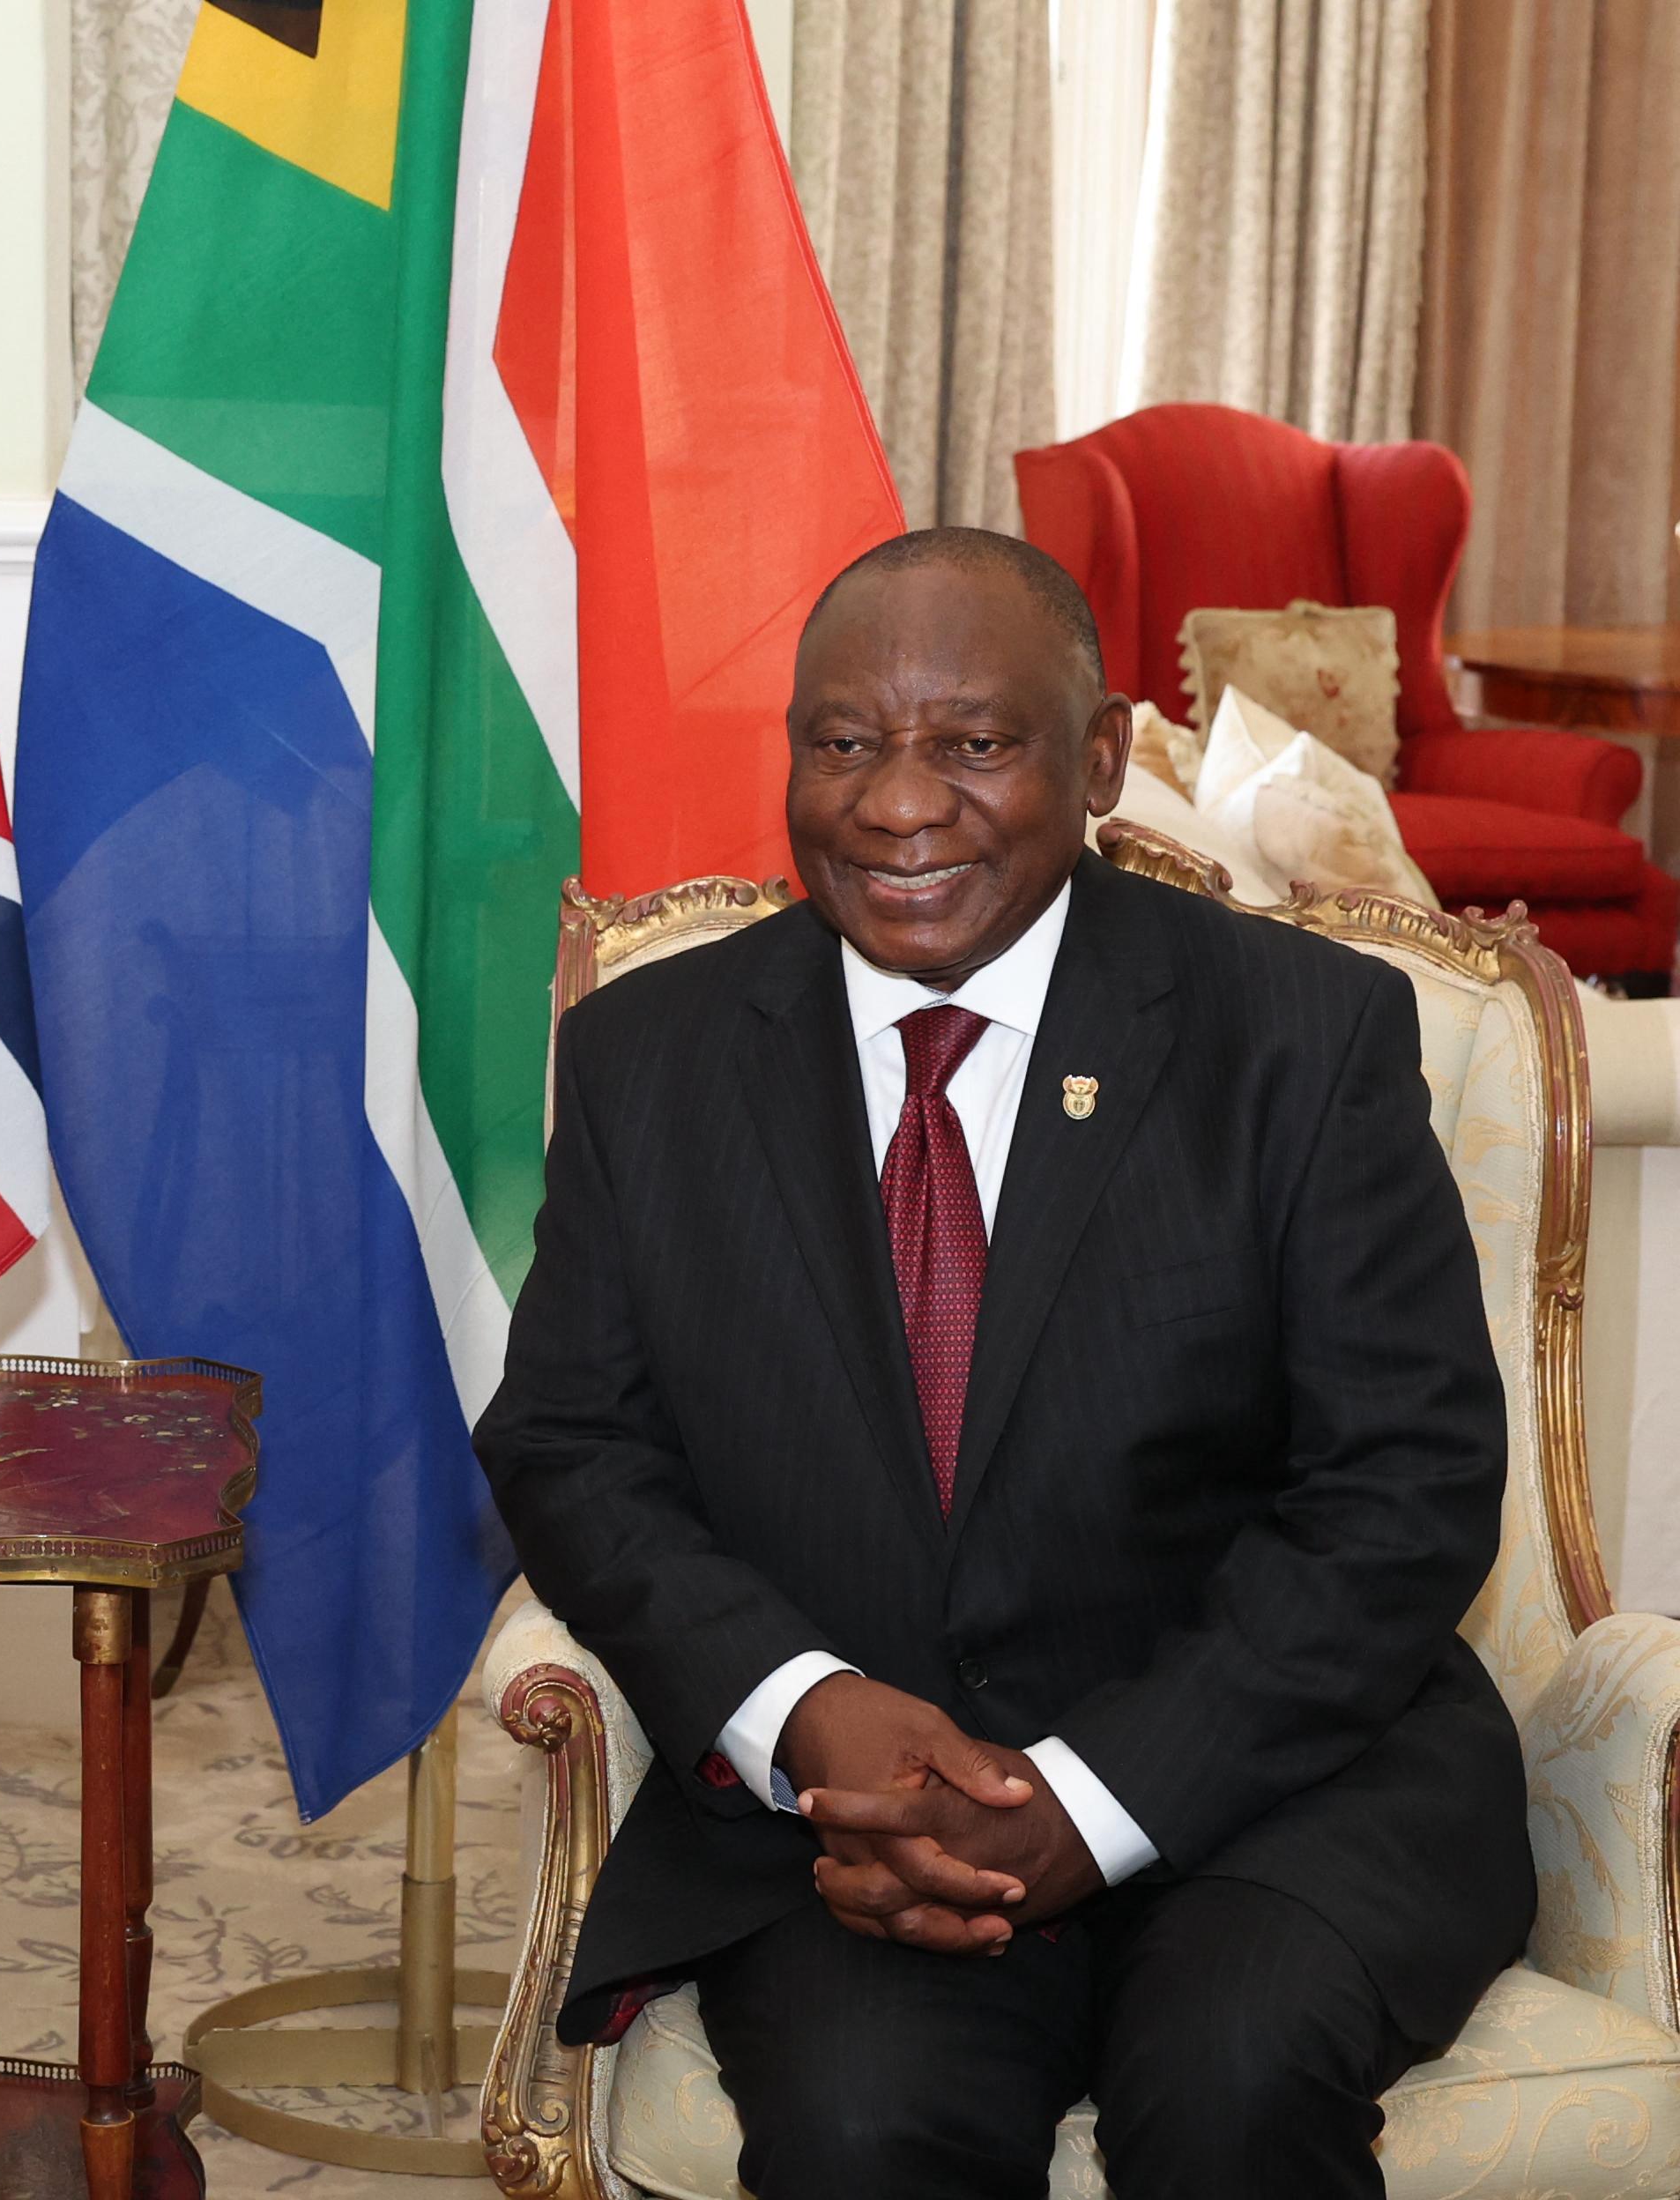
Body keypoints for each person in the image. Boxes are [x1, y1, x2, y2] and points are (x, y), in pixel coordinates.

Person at [474, 529, 1529, 2198]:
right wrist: (804, 1710)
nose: (898, 803)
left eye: (975, 743)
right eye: (843, 742)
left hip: (1274, 1777)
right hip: (860, 1823)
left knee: (1235, 2080)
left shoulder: (1300, 1039)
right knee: (865, 2126)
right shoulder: (652, 1061)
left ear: (1100, 757)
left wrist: (1094, 1798)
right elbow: (570, 1448)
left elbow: (1403, 1488)